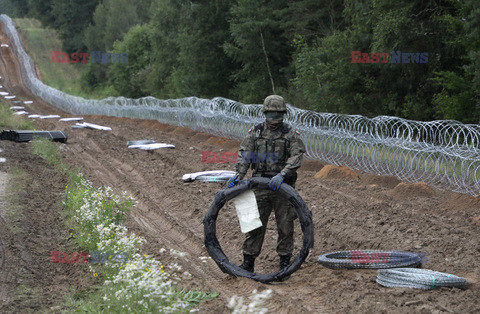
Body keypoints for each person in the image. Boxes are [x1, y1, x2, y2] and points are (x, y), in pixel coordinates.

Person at [227, 95, 306, 273]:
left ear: (283, 114)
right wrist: (239, 175)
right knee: (255, 225)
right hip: (260, 186)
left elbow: (297, 155)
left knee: (285, 226)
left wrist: (283, 173)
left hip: (283, 188)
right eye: (272, 114)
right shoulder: (255, 132)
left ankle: (285, 262)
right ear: (265, 113)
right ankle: (248, 262)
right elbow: (245, 154)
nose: (275, 118)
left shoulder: (290, 133)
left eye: (279, 114)